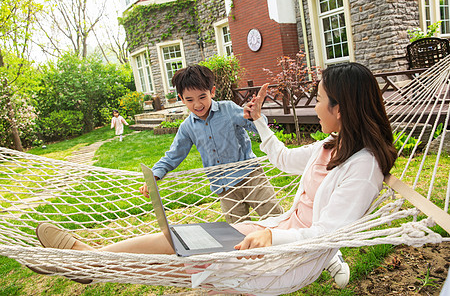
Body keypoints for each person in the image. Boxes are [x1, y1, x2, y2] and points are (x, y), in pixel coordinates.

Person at [30, 62, 397, 291]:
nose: (314, 106)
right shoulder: (331, 146)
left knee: (199, 260)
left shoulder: (363, 167)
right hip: (271, 231)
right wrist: (262, 124)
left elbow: (329, 233)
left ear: (340, 107)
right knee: (187, 239)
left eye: (318, 99)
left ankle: (88, 261)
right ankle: (87, 259)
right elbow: (284, 158)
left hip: (293, 252)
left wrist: (272, 234)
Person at [140, 65, 283, 223]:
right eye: (189, 100)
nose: (197, 104)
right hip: (225, 188)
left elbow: (257, 127)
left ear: (212, 92)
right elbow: (174, 155)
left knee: (274, 217)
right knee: (239, 230)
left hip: (251, 176)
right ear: (181, 99)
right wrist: (155, 174)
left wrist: (253, 116)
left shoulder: (228, 109)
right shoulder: (187, 127)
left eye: (202, 97)